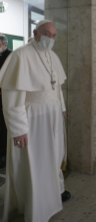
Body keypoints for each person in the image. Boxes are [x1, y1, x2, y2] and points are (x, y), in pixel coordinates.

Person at [0, 20, 70, 222]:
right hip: (32, 120)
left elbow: (56, 87)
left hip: (53, 116)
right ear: (36, 33)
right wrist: (18, 129)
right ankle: (34, 206)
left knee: (54, 157)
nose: (51, 38)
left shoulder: (53, 56)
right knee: (34, 163)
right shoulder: (20, 55)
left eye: (54, 35)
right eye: (47, 33)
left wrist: (62, 108)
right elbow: (12, 96)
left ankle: (52, 195)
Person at [0, 34, 12, 169]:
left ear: (4, 44)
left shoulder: (11, 56)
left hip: (5, 96)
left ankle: (4, 155)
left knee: (3, 126)